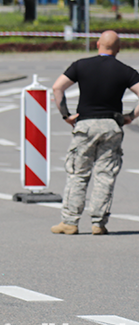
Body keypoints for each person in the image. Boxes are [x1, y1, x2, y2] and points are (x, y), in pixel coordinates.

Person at [51, 30, 139, 236]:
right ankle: (99, 223)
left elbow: (57, 87)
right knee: (105, 174)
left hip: (85, 125)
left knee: (78, 173)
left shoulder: (81, 65)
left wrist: (66, 115)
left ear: (97, 44)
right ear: (118, 49)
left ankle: (70, 222)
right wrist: (130, 116)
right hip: (111, 125)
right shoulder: (125, 71)